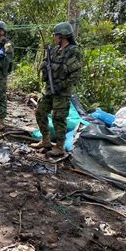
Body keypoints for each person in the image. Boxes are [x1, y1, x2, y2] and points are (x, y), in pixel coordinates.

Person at [32, 22, 82, 156]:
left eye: (56, 35)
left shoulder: (73, 51)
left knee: (58, 118)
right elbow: (46, 64)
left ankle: (60, 146)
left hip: (62, 92)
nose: (54, 37)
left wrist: (62, 86)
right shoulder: (54, 50)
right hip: (49, 89)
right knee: (40, 112)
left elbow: (75, 75)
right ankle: (45, 140)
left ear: (63, 36)